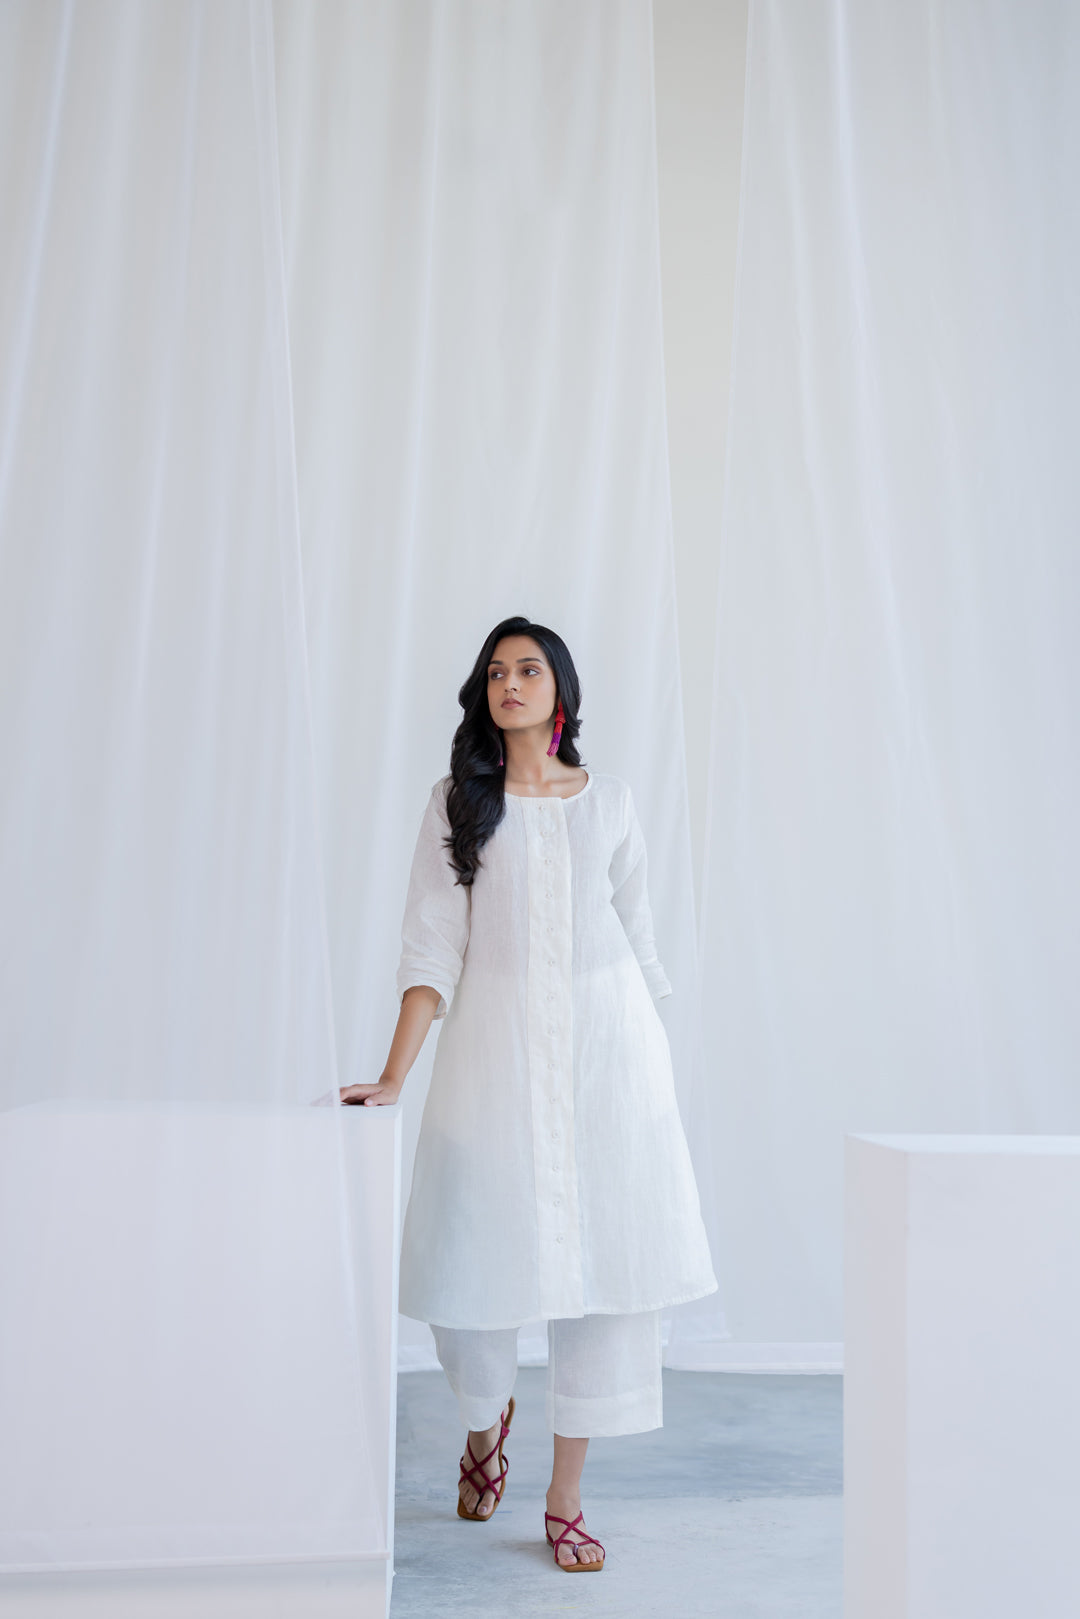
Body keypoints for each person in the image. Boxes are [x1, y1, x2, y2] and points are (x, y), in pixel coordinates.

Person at [340, 614, 717, 1572]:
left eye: (530, 669)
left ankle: (565, 1496)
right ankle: (484, 1425)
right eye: (497, 671)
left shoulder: (611, 803)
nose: (510, 682)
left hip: (608, 1064)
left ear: (560, 691)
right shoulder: (457, 804)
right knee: (471, 1260)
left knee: (604, 1284)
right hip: (493, 1060)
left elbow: (638, 937)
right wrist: (394, 1073)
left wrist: (654, 1074)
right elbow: (433, 943)